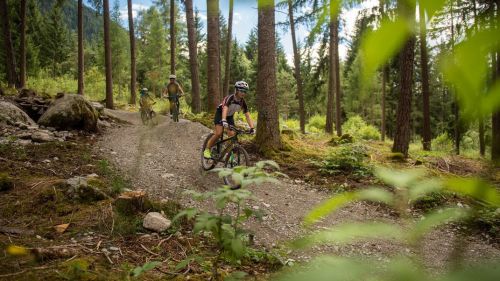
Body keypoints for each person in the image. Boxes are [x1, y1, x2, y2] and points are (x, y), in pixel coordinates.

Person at [203, 81, 255, 159]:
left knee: (232, 135)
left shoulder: (243, 102)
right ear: (237, 90)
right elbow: (225, 108)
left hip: (230, 117)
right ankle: (207, 149)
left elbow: (247, 115)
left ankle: (229, 154)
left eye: (245, 91)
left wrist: (252, 128)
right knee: (218, 133)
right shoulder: (230, 98)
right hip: (220, 114)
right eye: (241, 90)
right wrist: (223, 120)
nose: (243, 93)